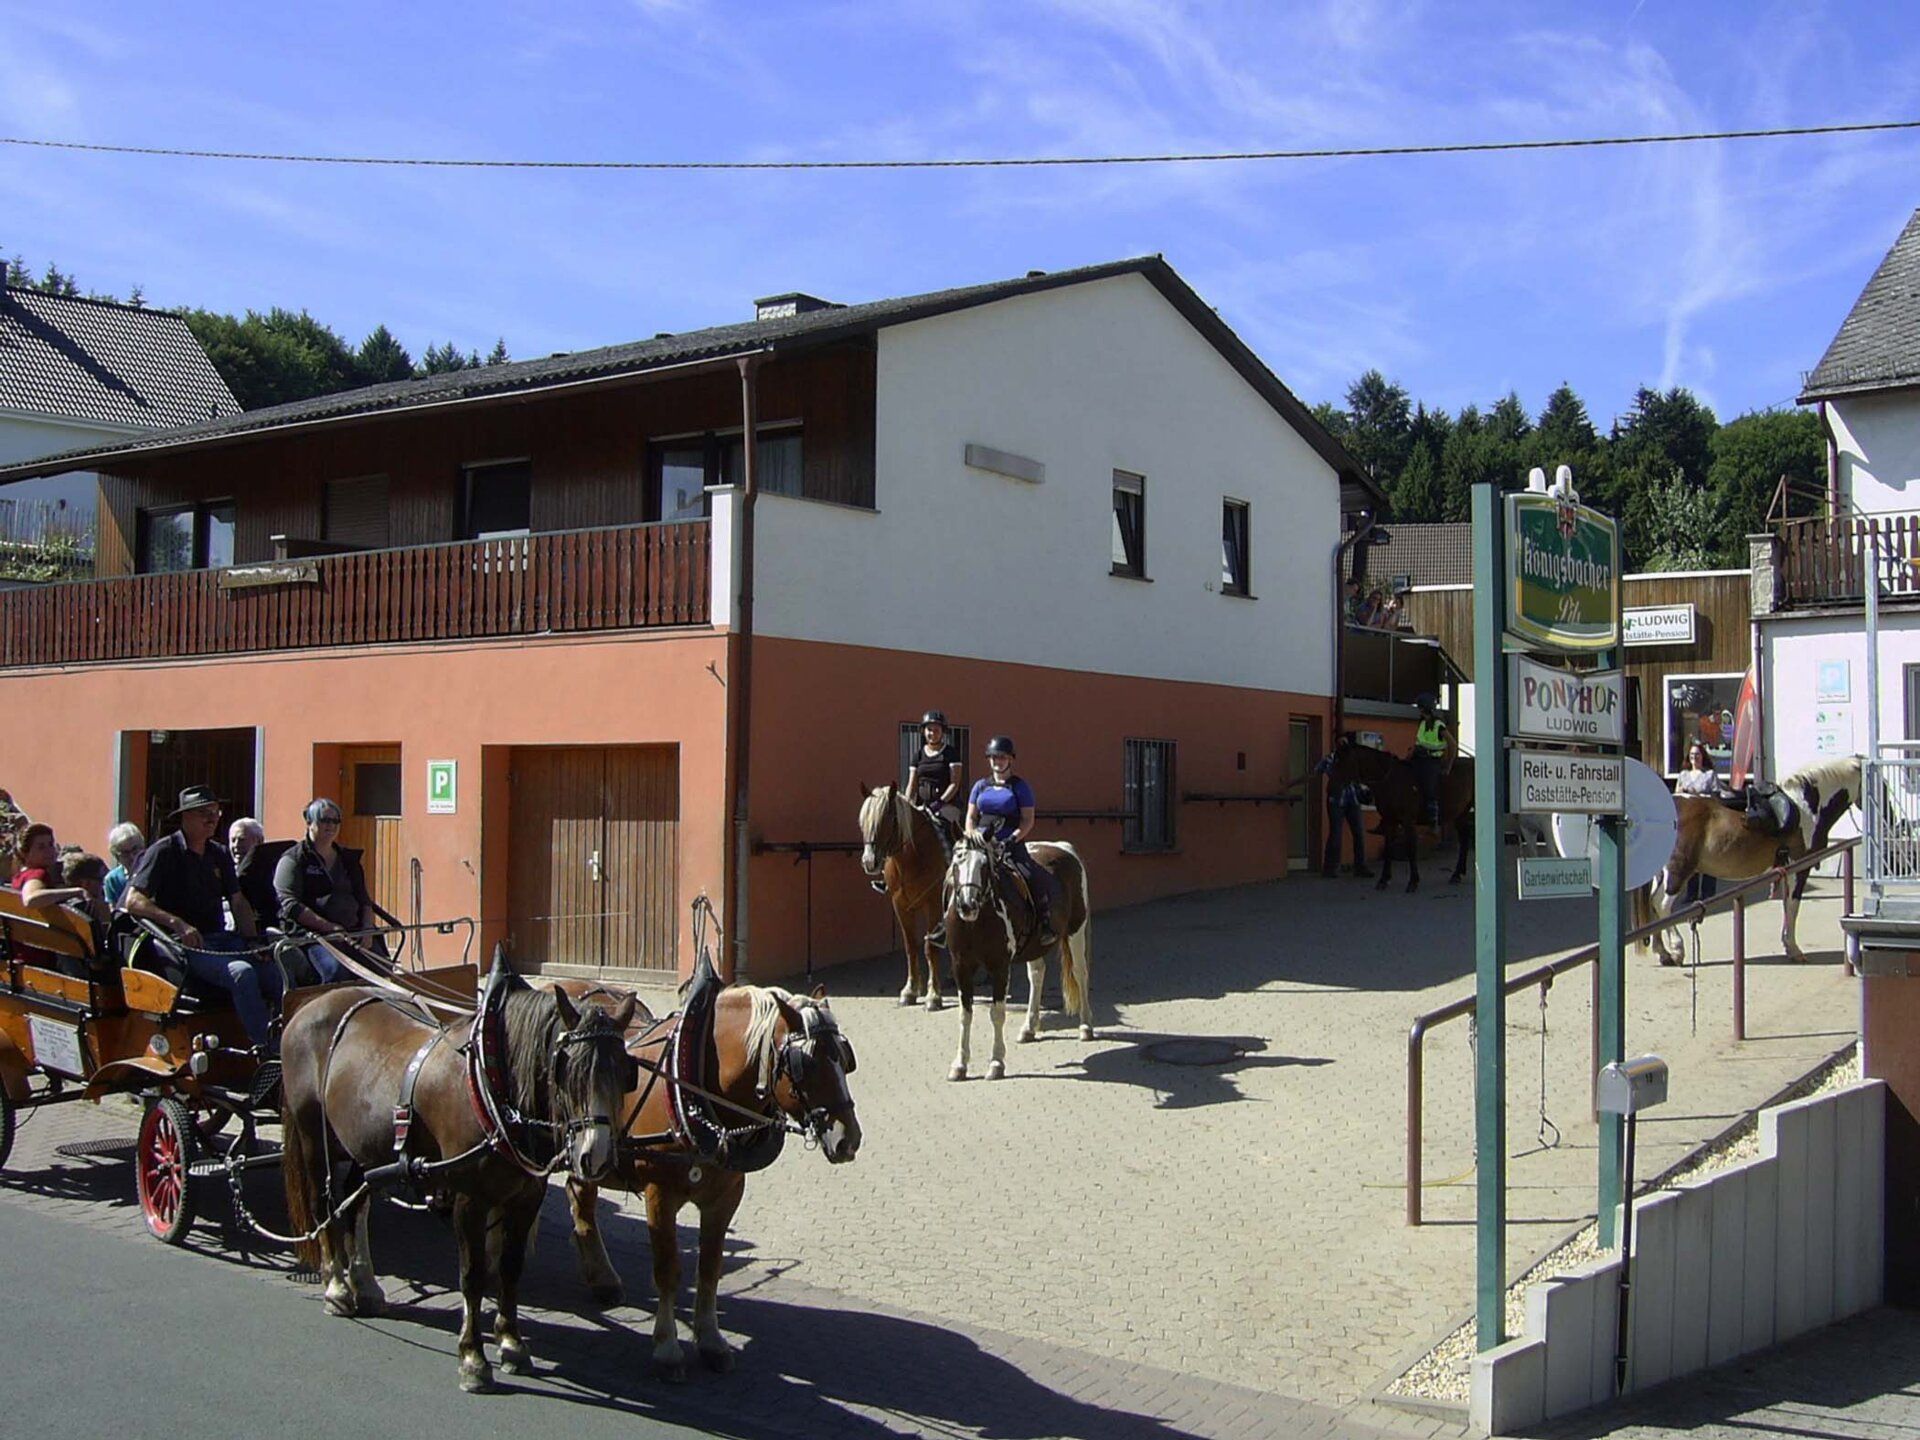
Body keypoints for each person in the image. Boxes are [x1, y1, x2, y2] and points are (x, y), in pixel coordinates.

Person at [122, 785, 280, 1052]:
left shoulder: (218, 853)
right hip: (183, 948)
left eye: (215, 812)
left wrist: (253, 940)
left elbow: (238, 901)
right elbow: (133, 901)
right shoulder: (163, 852)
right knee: (242, 973)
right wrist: (177, 924)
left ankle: (287, 1041)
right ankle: (266, 1050)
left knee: (276, 970)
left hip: (222, 940)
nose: (213, 818)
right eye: (204, 813)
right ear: (185, 817)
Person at [965, 735, 1056, 946]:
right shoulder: (980, 786)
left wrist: (1012, 839)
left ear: (1010, 760)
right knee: (957, 874)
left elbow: (1027, 820)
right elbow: (970, 816)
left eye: (1002, 757)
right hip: (980, 842)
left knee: (1030, 874)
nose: (998, 762)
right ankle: (946, 924)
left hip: (1008, 841)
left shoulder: (1020, 787)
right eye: (994, 757)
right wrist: (971, 833)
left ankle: (1044, 922)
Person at [273, 799, 376, 985]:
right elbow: (289, 904)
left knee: (380, 970)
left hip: (354, 933)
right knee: (336, 971)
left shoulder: (348, 859)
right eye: (324, 820)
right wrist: (328, 927)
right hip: (313, 937)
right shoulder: (293, 859)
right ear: (309, 823)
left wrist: (368, 929)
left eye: (335, 821)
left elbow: (365, 900)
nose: (330, 825)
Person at [9, 823, 108, 969]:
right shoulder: (37, 874)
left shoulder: (20, 877)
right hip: (43, 954)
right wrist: (76, 891)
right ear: (25, 853)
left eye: (50, 844)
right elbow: (31, 899)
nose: (49, 850)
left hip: (28, 948)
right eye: (41, 847)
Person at [1315, 745, 1374, 879]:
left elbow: (1361, 778)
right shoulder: (1331, 759)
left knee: (1358, 833)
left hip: (1351, 799)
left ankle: (1359, 866)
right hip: (1337, 800)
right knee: (1336, 834)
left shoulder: (1353, 760)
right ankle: (1331, 868)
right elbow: (1316, 771)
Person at [1675, 742, 1721, 901]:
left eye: (1698, 754)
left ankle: (1708, 893)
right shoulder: (1683, 775)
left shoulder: (1709, 775)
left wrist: (1699, 795)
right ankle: (1691, 893)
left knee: (1708, 853)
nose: (1695, 757)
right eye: (1692, 755)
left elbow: (1716, 796)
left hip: (1706, 819)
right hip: (1688, 820)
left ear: (1703, 756)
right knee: (1690, 855)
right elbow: (1677, 795)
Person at [909, 711, 964, 837]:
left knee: (945, 833)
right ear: (923, 731)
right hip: (922, 806)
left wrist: (939, 803)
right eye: (929, 729)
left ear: (942, 732)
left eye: (936, 730)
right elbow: (912, 785)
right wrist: (908, 805)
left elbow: (954, 784)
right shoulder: (918, 755)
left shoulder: (951, 753)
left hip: (946, 806)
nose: (932, 733)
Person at [1409, 693, 1453, 828]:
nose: (1419, 711)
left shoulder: (1439, 725)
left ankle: (1433, 820)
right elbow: (1419, 742)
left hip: (1432, 761)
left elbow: (1452, 744)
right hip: (1419, 758)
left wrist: (1448, 766)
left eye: (1420, 708)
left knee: (1429, 787)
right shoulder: (1422, 723)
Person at [104, 822, 145, 907]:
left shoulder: (153, 871)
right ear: (116, 856)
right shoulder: (113, 879)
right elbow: (113, 910)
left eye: (135, 849)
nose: (132, 857)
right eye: (125, 853)